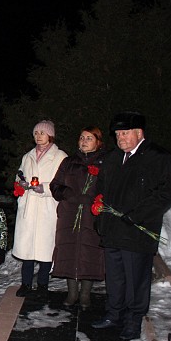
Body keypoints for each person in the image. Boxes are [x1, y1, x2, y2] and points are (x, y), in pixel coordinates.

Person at [92, 112, 171, 341]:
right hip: (112, 230)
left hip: (137, 231)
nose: (120, 138)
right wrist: (99, 214)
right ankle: (113, 314)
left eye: (125, 133)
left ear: (139, 132)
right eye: (118, 134)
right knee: (115, 277)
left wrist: (136, 216)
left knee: (135, 279)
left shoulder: (159, 158)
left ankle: (133, 319)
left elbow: (165, 195)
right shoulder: (112, 157)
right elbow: (101, 189)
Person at [50, 127, 106, 310]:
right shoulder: (68, 162)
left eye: (89, 138)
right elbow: (55, 186)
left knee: (89, 252)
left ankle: (85, 294)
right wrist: (71, 196)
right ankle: (72, 292)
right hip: (69, 214)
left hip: (91, 215)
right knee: (69, 252)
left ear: (98, 142)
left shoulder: (104, 163)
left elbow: (109, 188)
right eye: (81, 137)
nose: (84, 141)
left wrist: (95, 200)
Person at [12, 120, 67, 299]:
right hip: (29, 206)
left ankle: (43, 284)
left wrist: (43, 187)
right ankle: (26, 284)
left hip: (46, 207)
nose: (38, 137)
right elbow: (20, 173)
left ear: (50, 135)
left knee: (45, 249)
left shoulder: (60, 157)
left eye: (42, 133)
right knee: (27, 248)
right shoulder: (27, 156)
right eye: (36, 133)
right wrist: (20, 183)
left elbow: (63, 183)